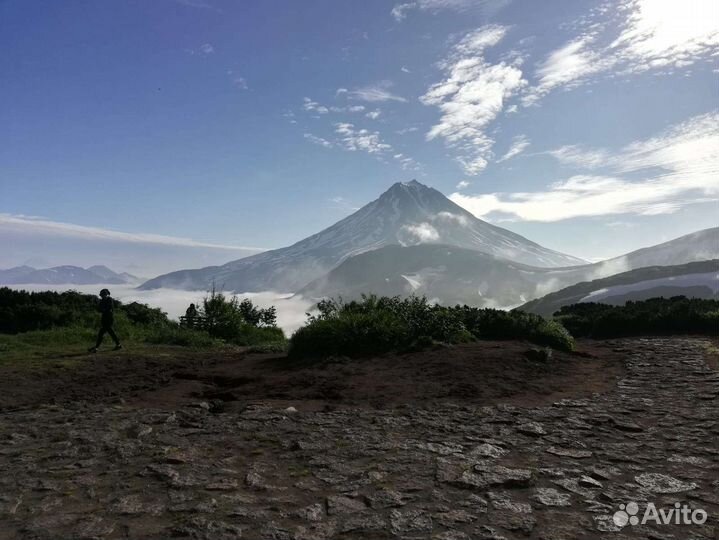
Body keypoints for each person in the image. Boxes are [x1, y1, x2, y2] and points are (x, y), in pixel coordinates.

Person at [89, 288, 121, 353]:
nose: (102, 296)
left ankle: (96, 348)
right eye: (102, 295)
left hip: (109, 319)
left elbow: (108, 309)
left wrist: (103, 309)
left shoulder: (109, 299)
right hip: (104, 319)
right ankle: (118, 345)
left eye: (103, 295)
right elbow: (100, 309)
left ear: (106, 294)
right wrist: (104, 309)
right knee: (110, 332)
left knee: (102, 333)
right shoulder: (103, 301)